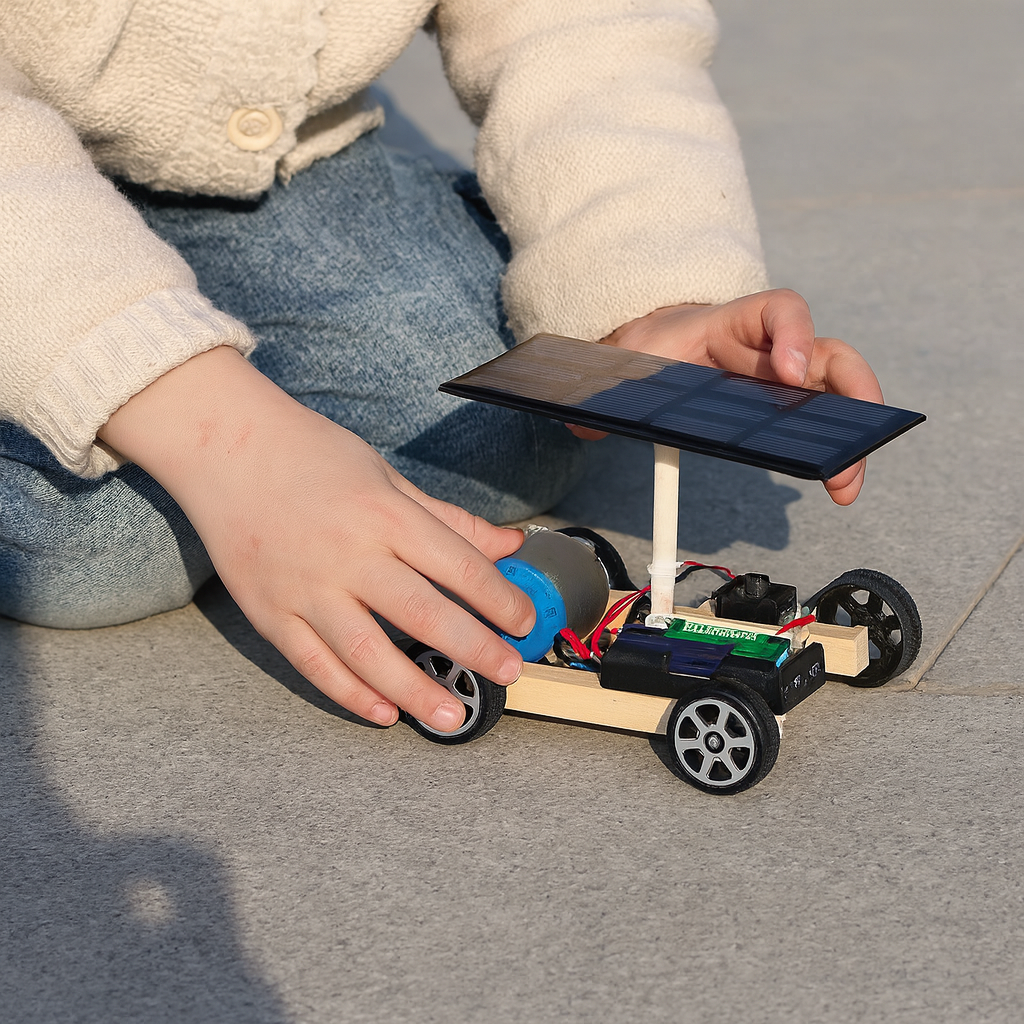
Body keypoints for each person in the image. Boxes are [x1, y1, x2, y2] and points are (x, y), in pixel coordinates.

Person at [0, 1, 881, 734]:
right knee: (91, 550)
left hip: (268, 161)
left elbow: (580, 22)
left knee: (504, 431)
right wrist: (229, 443)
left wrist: (648, 280)